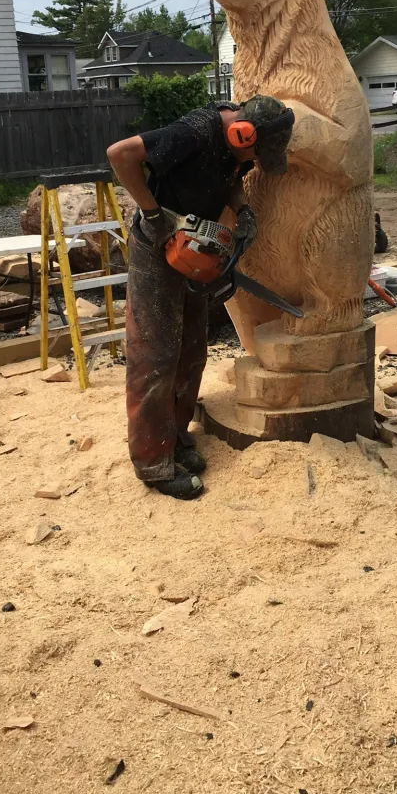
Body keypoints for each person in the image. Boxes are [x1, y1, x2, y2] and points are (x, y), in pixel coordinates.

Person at [107, 96, 294, 501]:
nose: (252, 160)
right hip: (158, 244)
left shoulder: (240, 147)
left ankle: (173, 437)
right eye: (254, 152)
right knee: (155, 354)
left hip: (196, 245)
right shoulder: (193, 131)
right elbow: (120, 154)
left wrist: (241, 209)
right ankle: (153, 463)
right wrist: (153, 213)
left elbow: (230, 179)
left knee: (192, 347)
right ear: (241, 133)